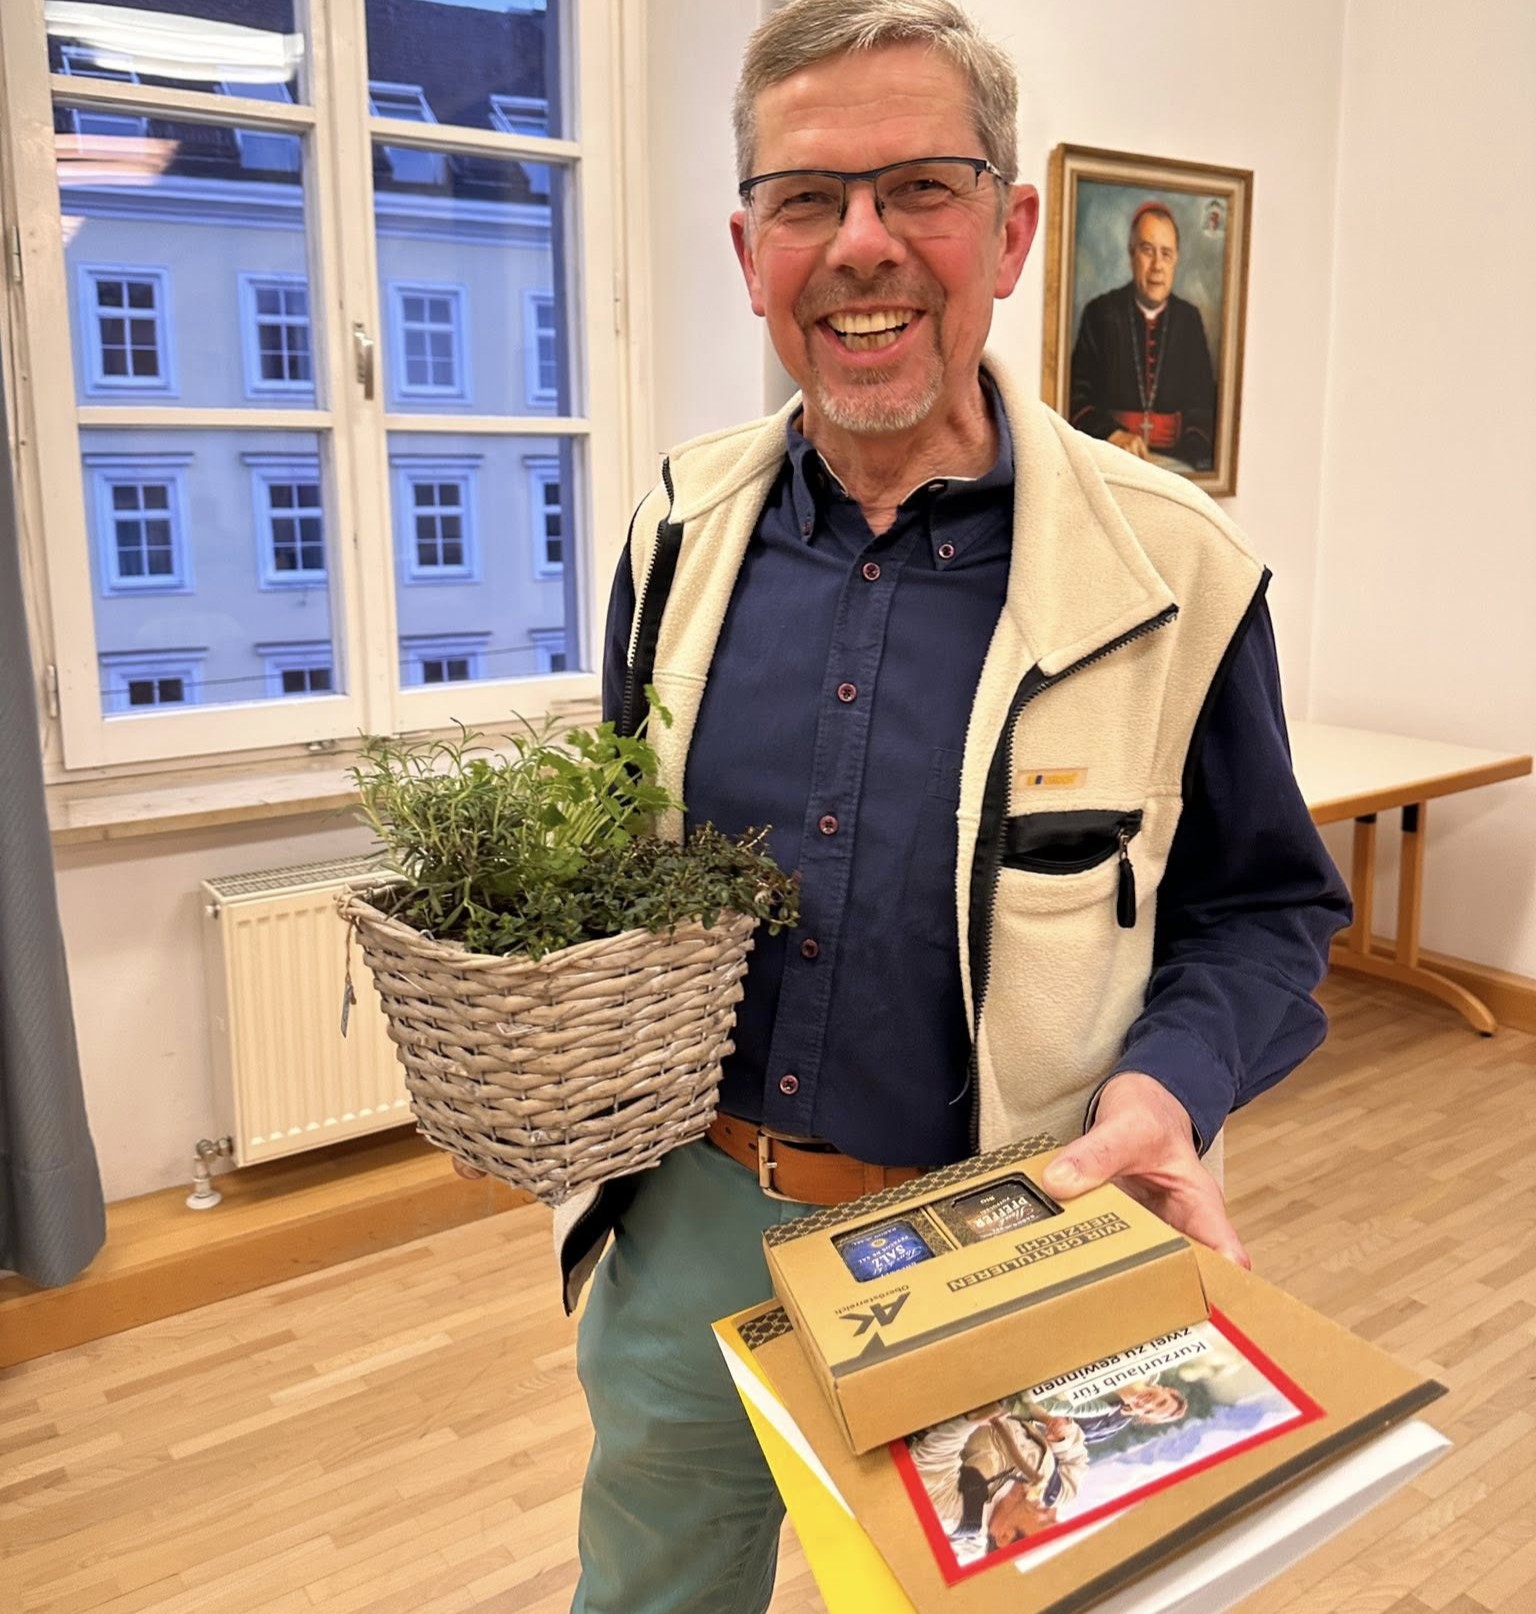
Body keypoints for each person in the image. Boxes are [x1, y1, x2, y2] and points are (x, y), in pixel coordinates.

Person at [457, 4, 1349, 1609]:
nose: (861, 243)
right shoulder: (677, 531)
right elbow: (619, 855)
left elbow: (1266, 908)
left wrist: (1173, 1083)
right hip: (690, 1217)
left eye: (920, 187)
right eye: (807, 199)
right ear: (751, 254)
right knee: (654, 1584)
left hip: (1009, 1234)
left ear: (1010, 233)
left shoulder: (1177, 571)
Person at [1068, 201, 1219, 470]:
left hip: (1175, 463)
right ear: (1131, 254)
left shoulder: (1188, 320)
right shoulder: (1100, 313)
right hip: (1111, 459)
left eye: (1166, 254)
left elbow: (1203, 404)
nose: (1157, 265)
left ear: (1176, 260)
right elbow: (1076, 398)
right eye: (1147, 250)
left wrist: (1186, 457)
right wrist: (1112, 434)